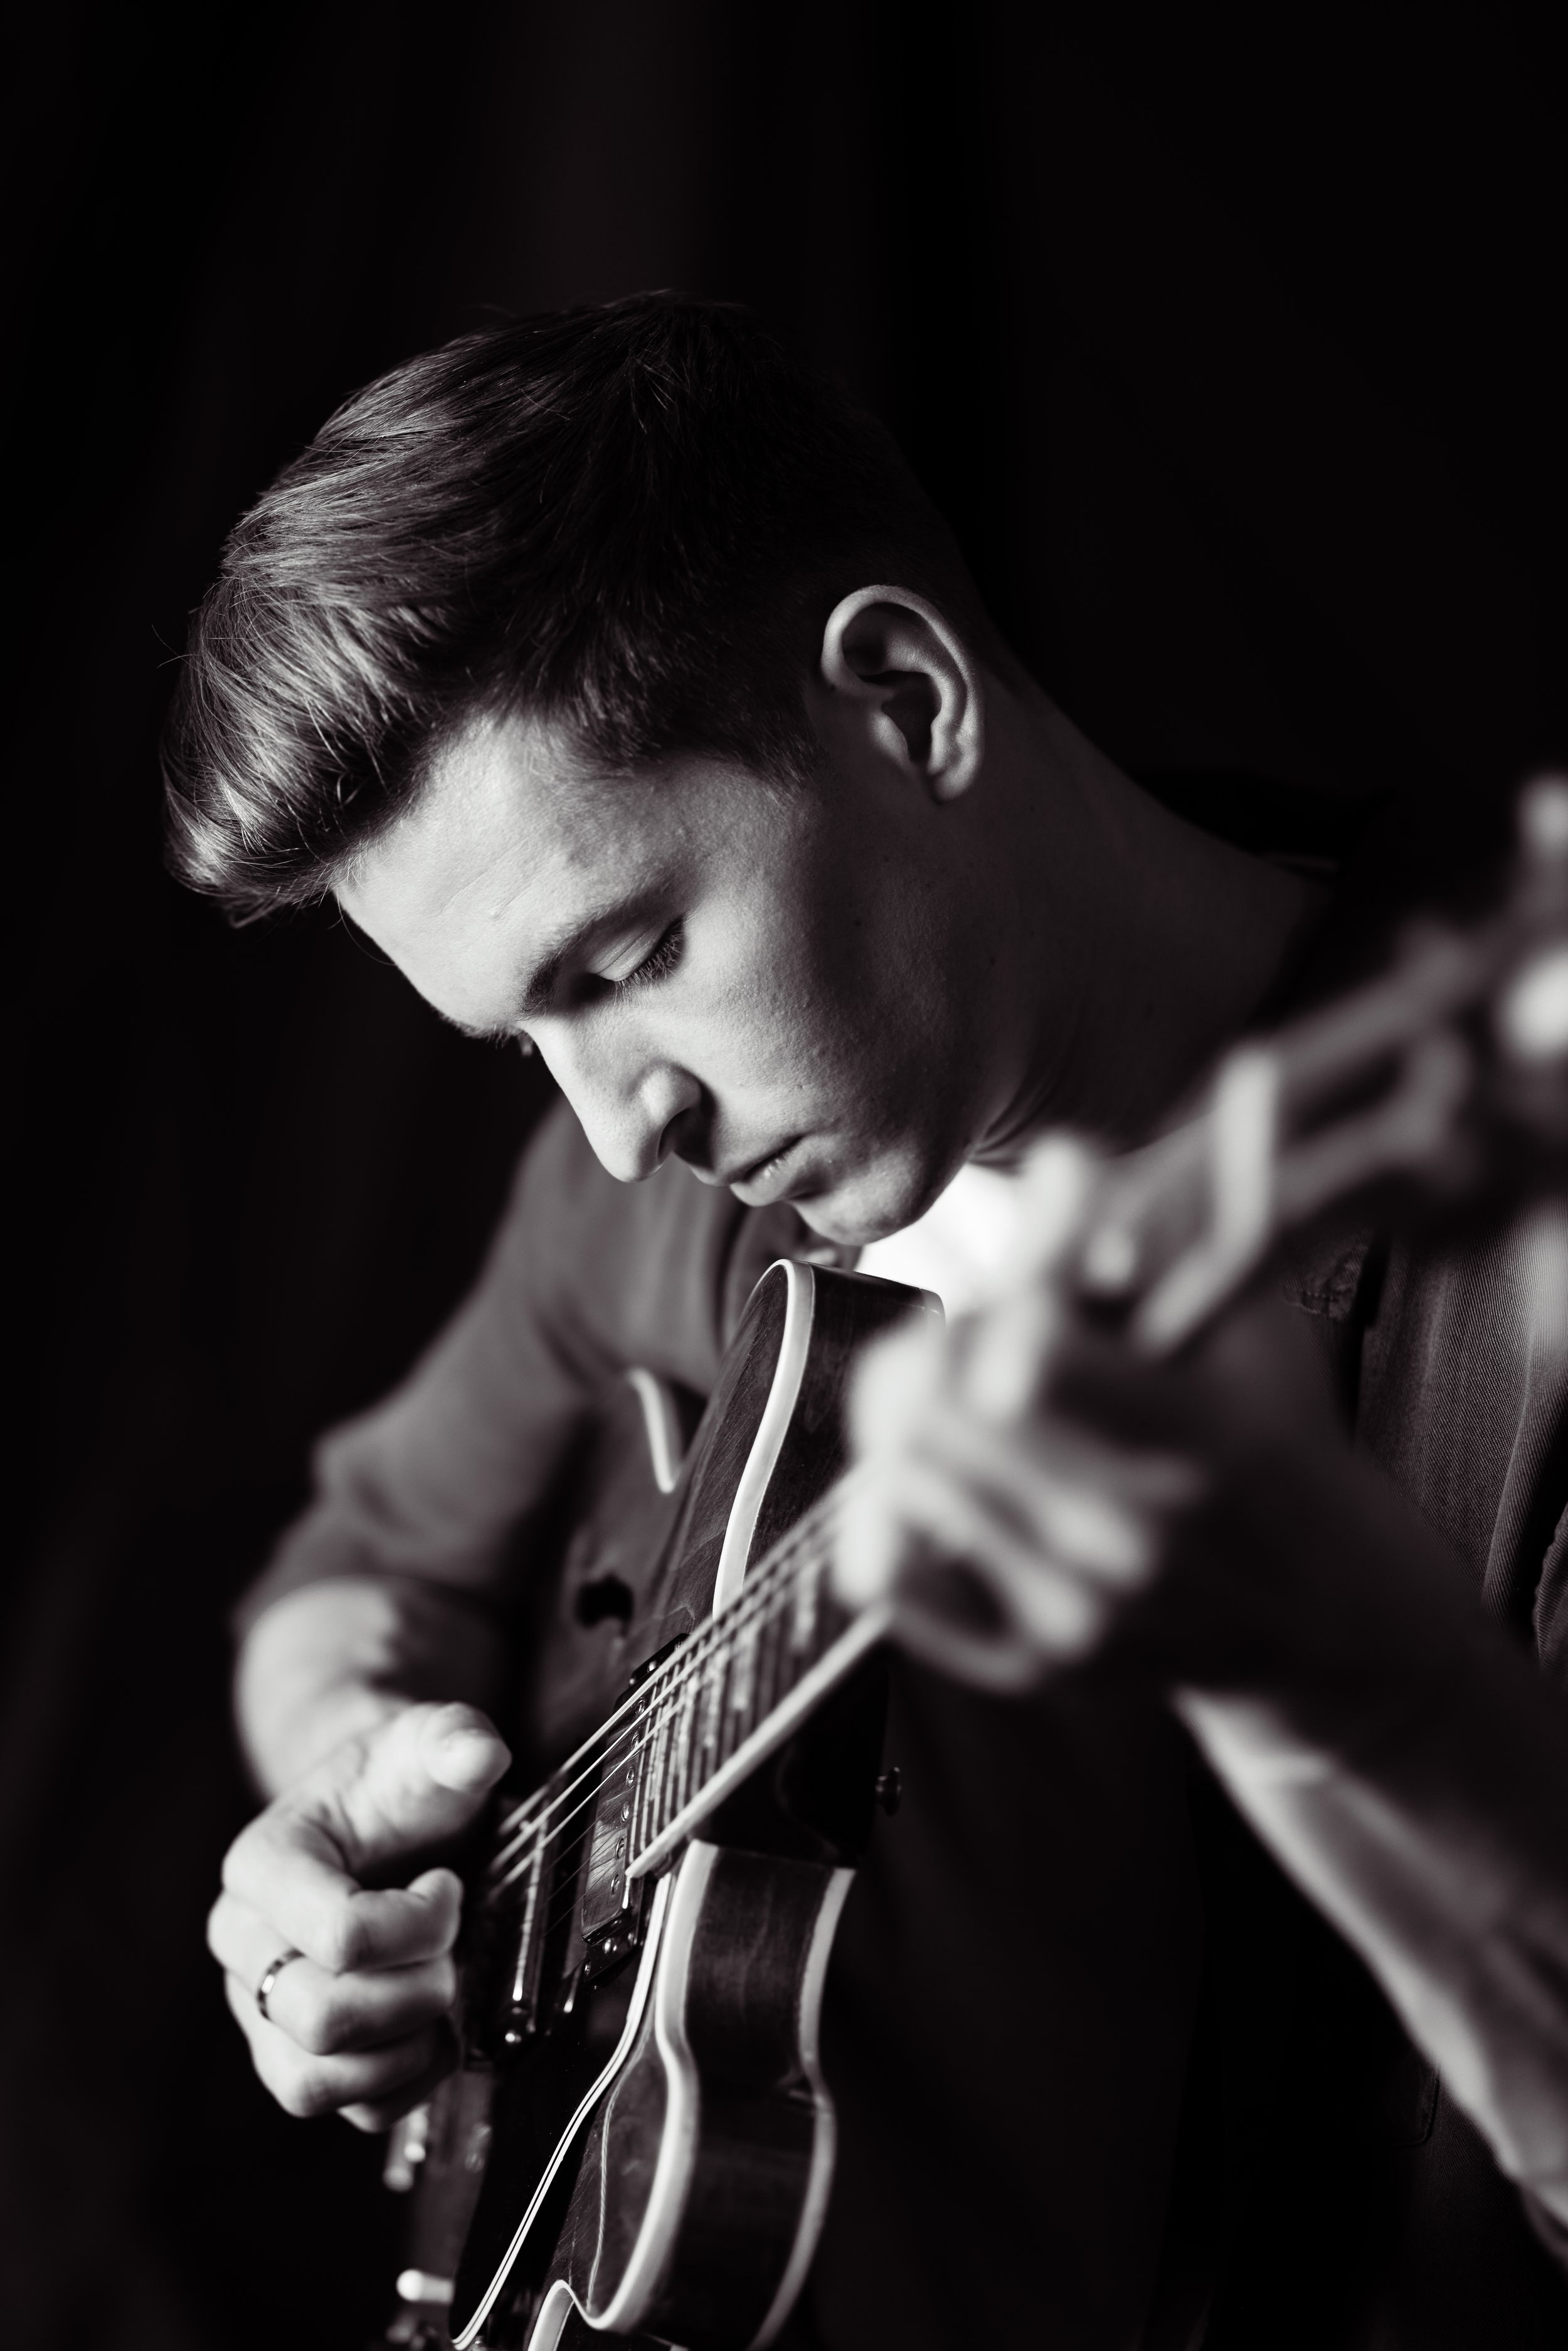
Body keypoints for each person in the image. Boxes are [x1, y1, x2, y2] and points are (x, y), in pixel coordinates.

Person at [166, 295, 1568, 2347]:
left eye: (622, 958)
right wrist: (344, 1815)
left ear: (903, 699)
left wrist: (1346, 1696)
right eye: (527, 1036)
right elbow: (360, 1560)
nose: (617, 1125)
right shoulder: (643, 1196)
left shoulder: (1524, 1298)